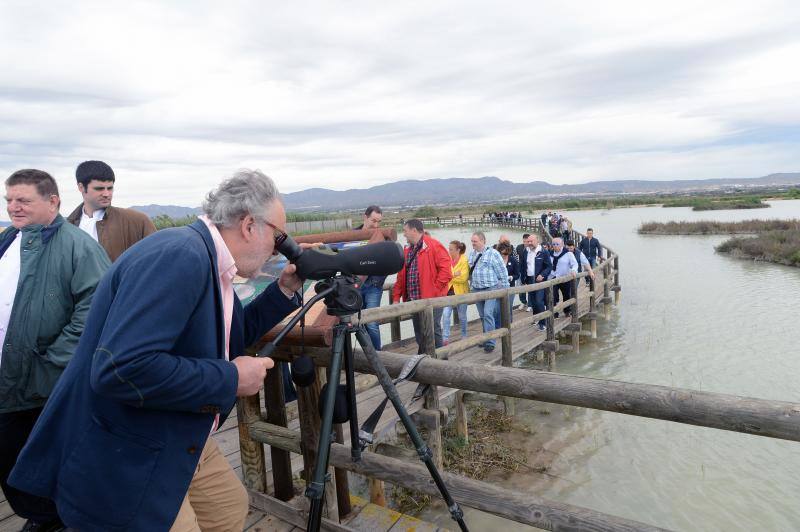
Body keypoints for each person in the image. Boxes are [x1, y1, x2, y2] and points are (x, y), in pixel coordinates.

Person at [10, 170, 304, 532]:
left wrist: (285, 290)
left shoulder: (208, 259)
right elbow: (121, 369)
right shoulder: (181, 256)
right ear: (248, 225)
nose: (278, 248)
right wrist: (231, 377)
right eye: (278, 237)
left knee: (228, 508)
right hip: (131, 442)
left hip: (178, 429)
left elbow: (228, 333)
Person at [1, 169, 110, 532]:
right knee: (12, 463)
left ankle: (53, 521)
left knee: (42, 465)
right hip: (9, 381)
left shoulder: (78, 246)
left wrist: (50, 360)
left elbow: (96, 309)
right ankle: (44, 519)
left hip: (46, 384)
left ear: (53, 201)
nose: (13, 207)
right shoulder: (9, 239)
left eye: (23, 200)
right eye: (9, 200)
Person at [66, 160, 156, 262]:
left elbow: (156, 258)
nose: (106, 194)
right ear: (81, 187)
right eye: (99, 189)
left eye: (110, 188)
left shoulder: (137, 221)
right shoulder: (67, 227)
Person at [392, 219, 452, 353]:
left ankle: (441, 361)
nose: (404, 234)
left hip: (432, 299)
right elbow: (401, 276)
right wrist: (396, 297)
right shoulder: (407, 250)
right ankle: (425, 358)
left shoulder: (434, 246)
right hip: (414, 299)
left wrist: (434, 291)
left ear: (414, 230)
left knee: (433, 328)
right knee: (419, 331)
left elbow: (446, 271)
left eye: (405, 231)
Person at [468, 231, 509, 353]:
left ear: (482, 241)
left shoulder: (493, 253)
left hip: (491, 289)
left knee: (487, 313)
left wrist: (505, 289)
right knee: (482, 315)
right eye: (472, 241)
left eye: (475, 241)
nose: (473, 243)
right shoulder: (472, 254)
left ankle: (490, 342)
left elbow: (502, 271)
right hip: (477, 289)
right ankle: (486, 338)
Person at [354, 205, 386, 350]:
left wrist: (378, 281)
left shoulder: (382, 238)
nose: (376, 225)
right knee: (358, 322)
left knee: (371, 323)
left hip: (373, 285)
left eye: (379, 222)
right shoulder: (351, 235)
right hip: (355, 286)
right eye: (373, 221)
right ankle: (368, 354)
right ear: (365, 217)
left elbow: (388, 262)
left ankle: (378, 356)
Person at [520, 233, 552, 331]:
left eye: (531, 241)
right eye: (528, 241)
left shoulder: (543, 252)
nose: (529, 243)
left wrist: (542, 275)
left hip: (540, 280)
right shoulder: (525, 251)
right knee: (533, 301)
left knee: (539, 301)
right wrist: (523, 279)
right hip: (529, 279)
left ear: (537, 241)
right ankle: (536, 318)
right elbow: (523, 266)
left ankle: (543, 323)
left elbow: (549, 266)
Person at [441, 241, 469, 345]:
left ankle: (464, 335)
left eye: (451, 249)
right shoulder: (447, 260)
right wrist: (454, 274)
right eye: (449, 249)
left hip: (461, 293)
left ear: (458, 250)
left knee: (462, 316)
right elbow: (443, 275)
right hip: (448, 292)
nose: (449, 251)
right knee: (445, 314)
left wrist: (450, 276)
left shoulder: (464, 260)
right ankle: (445, 339)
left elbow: (463, 278)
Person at [549, 237, 578, 318]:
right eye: (553, 244)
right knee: (553, 296)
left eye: (557, 244)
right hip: (553, 278)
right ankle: (554, 313)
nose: (555, 246)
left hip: (565, 278)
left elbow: (575, 264)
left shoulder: (568, 254)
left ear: (562, 244)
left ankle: (567, 311)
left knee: (566, 296)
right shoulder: (550, 254)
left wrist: (574, 270)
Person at [497, 241, 519, 323]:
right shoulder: (497, 261)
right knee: (499, 308)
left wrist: (511, 277)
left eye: (505, 254)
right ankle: (500, 325)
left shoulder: (513, 260)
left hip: (510, 287)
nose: (503, 256)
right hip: (498, 287)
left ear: (509, 252)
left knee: (508, 306)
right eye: (502, 254)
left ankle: (509, 324)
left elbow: (517, 275)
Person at [515, 234, 529, 309]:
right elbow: (516, 258)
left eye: (527, 242)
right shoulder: (519, 247)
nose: (525, 243)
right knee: (521, 287)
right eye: (524, 241)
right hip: (520, 270)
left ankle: (531, 304)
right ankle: (523, 302)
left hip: (529, 271)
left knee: (530, 287)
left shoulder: (531, 248)